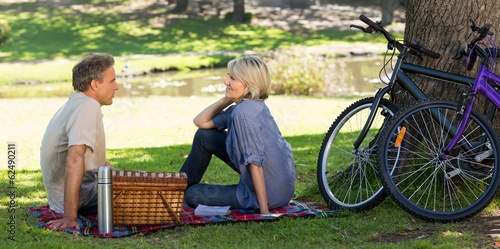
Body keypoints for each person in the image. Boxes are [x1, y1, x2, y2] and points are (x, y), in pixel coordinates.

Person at [180, 56, 295, 214]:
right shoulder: (248, 106)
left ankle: (179, 192)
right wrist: (228, 97)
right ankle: (177, 188)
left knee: (192, 195)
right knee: (204, 136)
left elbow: (256, 162)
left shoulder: (243, 113)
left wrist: (264, 211)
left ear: (248, 84)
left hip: (268, 194)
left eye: (232, 78)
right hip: (280, 186)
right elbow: (201, 122)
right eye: (229, 76)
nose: (226, 81)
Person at [40, 52, 119, 229]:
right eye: (112, 81)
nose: (117, 87)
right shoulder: (87, 107)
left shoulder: (76, 102)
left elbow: (94, 159)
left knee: (141, 190)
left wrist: (122, 178)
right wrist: (70, 217)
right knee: (149, 201)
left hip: (67, 196)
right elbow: (75, 157)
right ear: (95, 84)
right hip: (80, 199)